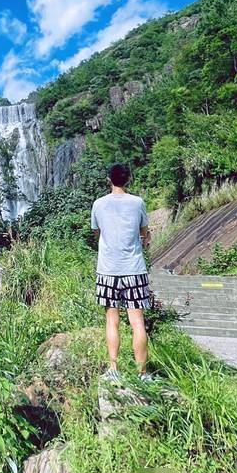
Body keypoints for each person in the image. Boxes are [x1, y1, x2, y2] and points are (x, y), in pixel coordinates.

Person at [91, 163, 152, 383]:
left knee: (111, 320)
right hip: (134, 269)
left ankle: (114, 369)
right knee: (137, 321)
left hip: (108, 270)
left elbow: (97, 234)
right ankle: (142, 374)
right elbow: (144, 233)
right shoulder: (138, 203)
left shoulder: (98, 204)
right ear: (128, 180)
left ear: (109, 179)